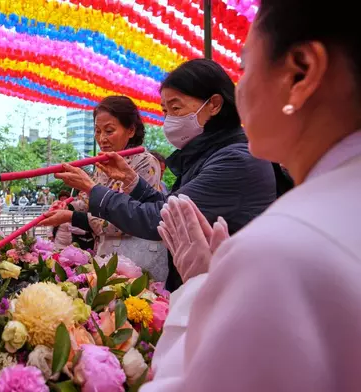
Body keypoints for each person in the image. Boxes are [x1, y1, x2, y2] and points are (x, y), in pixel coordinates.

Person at [142, 1, 361, 391]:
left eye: (244, 67)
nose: (238, 89)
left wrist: (198, 288)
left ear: (301, 72)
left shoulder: (279, 249)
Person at [45, 60, 284, 291]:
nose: (169, 120)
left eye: (177, 108)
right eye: (166, 111)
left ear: (214, 105)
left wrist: (92, 191)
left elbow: (160, 217)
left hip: (232, 289)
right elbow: (168, 204)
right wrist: (133, 183)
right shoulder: (204, 155)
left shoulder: (235, 160)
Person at [41, 96, 169, 281]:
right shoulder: (103, 164)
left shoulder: (145, 162)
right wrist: (66, 207)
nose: (102, 139)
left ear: (131, 130)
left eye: (109, 131)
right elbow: (87, 203)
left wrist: (72, 217)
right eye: (97, 131)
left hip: (138, 259)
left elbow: (126, 218)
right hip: (106, 254)